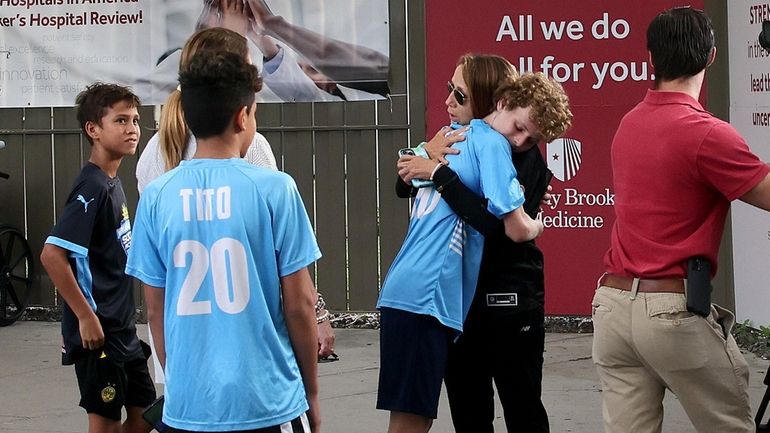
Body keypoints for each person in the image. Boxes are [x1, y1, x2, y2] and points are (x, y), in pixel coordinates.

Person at [592, 6, 770, 433]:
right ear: (710, 56)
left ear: (651, 59)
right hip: (670, 311)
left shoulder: (629, 123)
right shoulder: (707, 133)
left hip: (614, 307)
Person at [126, 50, 321, 432]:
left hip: (188, 406)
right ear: (242, 116)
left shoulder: (157, 195)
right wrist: (310, 393)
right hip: (268, 400)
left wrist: (180, 387)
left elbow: (154, 311)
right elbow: (301, 303)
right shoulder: (275, 188)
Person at [397, 57, 572, 433]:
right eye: (450, 90)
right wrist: (426, 157)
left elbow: (500, 229)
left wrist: (440, 175)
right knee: (469, 411)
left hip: (510, 300)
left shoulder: (519, 159)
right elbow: (404, 183)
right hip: (461, 300)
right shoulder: (465, 136)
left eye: (533, 136)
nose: (522, 140)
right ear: (501, 103)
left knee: (522, 407)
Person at [39, 83, 156, 433]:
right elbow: (52, 254)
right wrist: (86, 317)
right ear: (93, 129)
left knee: (149, 412)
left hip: (123, 329)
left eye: (135, 120)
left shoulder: (113, 182)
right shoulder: (90, 186)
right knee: (104, 423)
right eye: (120, 120)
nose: (132, 128)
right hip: (99, 333)